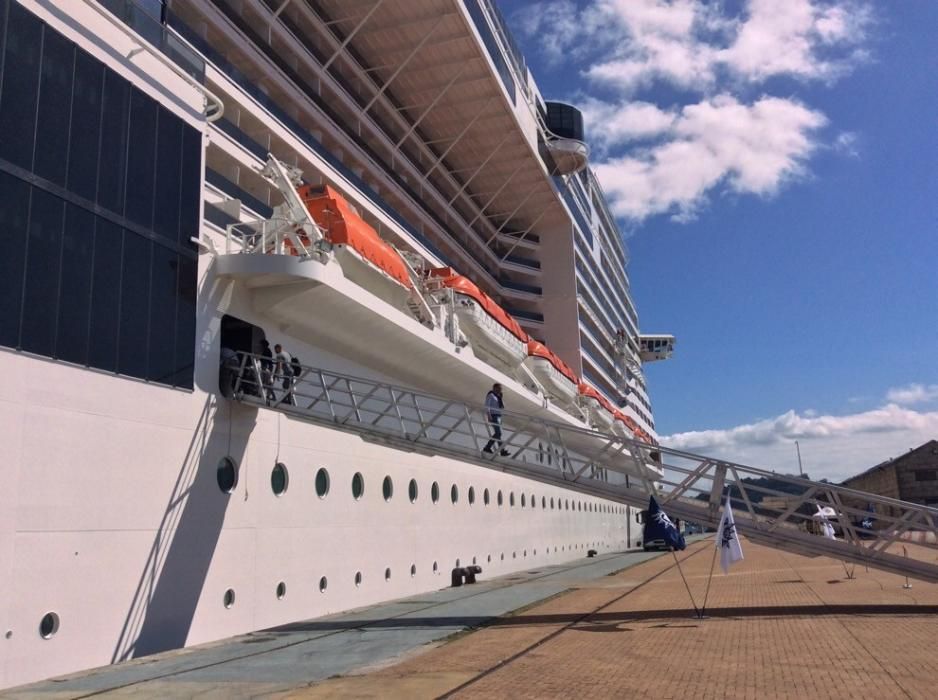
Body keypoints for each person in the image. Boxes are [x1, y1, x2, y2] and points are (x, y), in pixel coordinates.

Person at [482, 383, 511, 456]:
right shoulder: (491, 395)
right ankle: (487, 447)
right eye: (499, 388)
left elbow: (501, 407)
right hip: (493, 416)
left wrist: (500, 398)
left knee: (498, 434)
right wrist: (489, 415)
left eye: (501, 389)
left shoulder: (498, 396)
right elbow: (487, 406)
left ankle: (501, 450)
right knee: (498, 433)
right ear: (494, 388)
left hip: (499, 416)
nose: (500, 390)